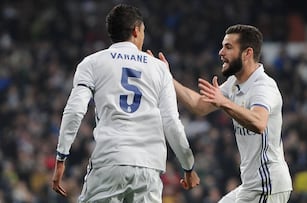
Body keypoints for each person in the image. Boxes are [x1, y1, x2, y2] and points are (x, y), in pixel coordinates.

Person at [51, 4, 200, 203]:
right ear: (136, 30)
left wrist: (61, 157)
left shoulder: (92, 63)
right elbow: (172, 122)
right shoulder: (160, 69)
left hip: (110, 160)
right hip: (149, 166)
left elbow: (75, 110)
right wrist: (188, 165)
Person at [151, 24, 292, 202]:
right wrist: (167, 78)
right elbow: (199, 106)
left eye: (228, 47)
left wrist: (224, 102)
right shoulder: (234, 83)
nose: (221, 52)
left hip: (267, 184)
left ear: (247, 53)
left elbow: (259, 122)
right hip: (252, 185)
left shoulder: (263, 86)